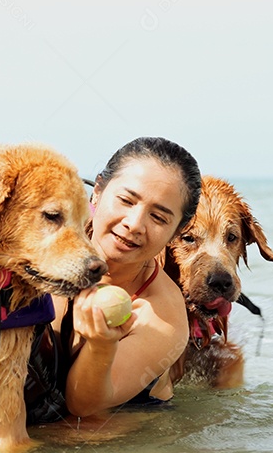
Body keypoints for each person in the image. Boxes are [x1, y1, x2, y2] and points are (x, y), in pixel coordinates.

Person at [25, 136, 201, 423]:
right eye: (126, 200)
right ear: (98, 191)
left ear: (177, 230)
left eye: (158, 218)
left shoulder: (162, 316)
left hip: (123, 424)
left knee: (83, 432)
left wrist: (101, 347)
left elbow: (82, 405)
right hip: (41, 409)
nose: (134, 223)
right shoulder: (41, 242)